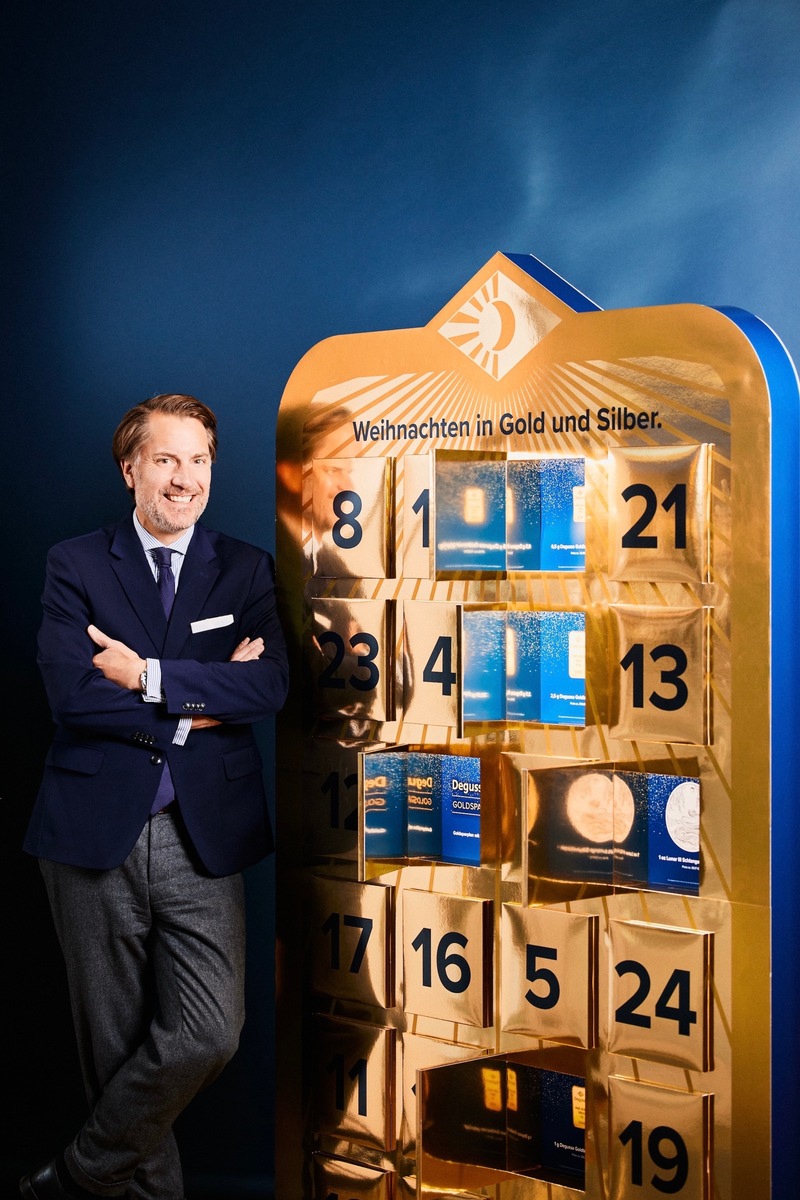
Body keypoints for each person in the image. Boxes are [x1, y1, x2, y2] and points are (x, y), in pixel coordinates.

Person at [21, 393, 289, 1200]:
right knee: (112, 1049)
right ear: (129, 468)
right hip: (91, 831)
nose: (185, 478)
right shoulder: (76, 564)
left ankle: (76, 1176)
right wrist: (196, 707)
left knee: (210, 1031)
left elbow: (269, 686)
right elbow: (72, 696)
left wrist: (146, 676)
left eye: (199, 460)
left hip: (199, 834)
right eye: (166, 459)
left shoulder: (245, 569)